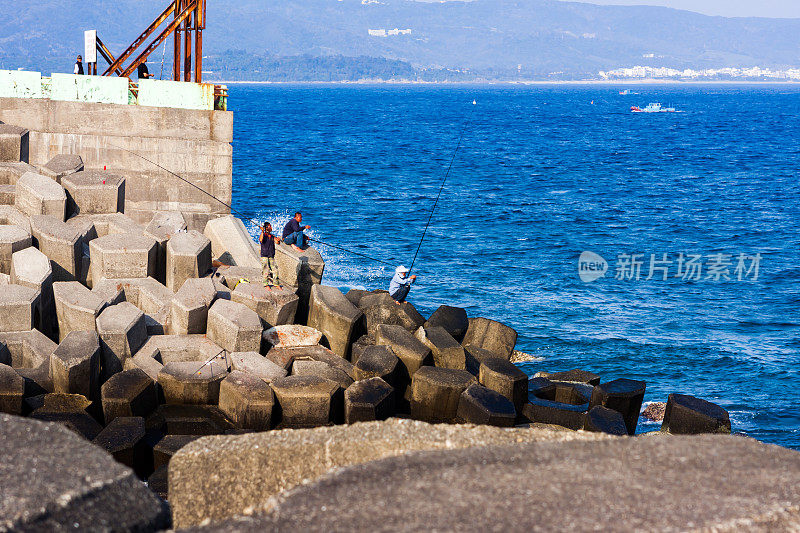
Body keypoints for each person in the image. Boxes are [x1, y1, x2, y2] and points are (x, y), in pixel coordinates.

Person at [259, 221, 281, 288]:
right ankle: (265, 284)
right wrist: (262, 231)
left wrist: (278, 240)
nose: (271, 227)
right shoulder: (264, 235)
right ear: (267, 227)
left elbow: (277, 242)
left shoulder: (272, 236)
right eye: (270, 226)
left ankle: (276, 284)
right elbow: (260, 240)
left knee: (275, 270)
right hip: (264, 255)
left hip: (271, 255)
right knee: (266, 270)